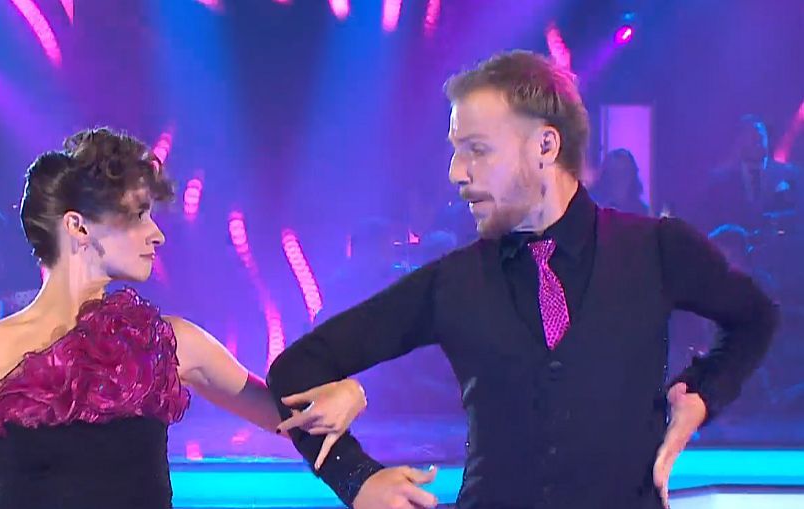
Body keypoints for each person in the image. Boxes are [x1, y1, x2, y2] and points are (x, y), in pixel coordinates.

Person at [267, 51, 777, 509]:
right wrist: (357, 479)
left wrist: (703, 393)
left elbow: (756, 317)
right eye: (456, 150)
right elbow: (294, 370)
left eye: (477, 149)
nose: (456, 172)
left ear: (545, 146)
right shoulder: (453, 280)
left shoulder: (656, 249)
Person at [0, 128, 367, 509]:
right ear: (78, 227)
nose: (156, 234)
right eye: (138, 215)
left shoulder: (169, 342)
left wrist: (349, 394)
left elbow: (293, 419)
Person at [589, 148, 650, 215]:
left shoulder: (643, 212)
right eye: (614, 172)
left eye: (624, 173)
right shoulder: (593, 207)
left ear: (632, 177)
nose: (619, 178)